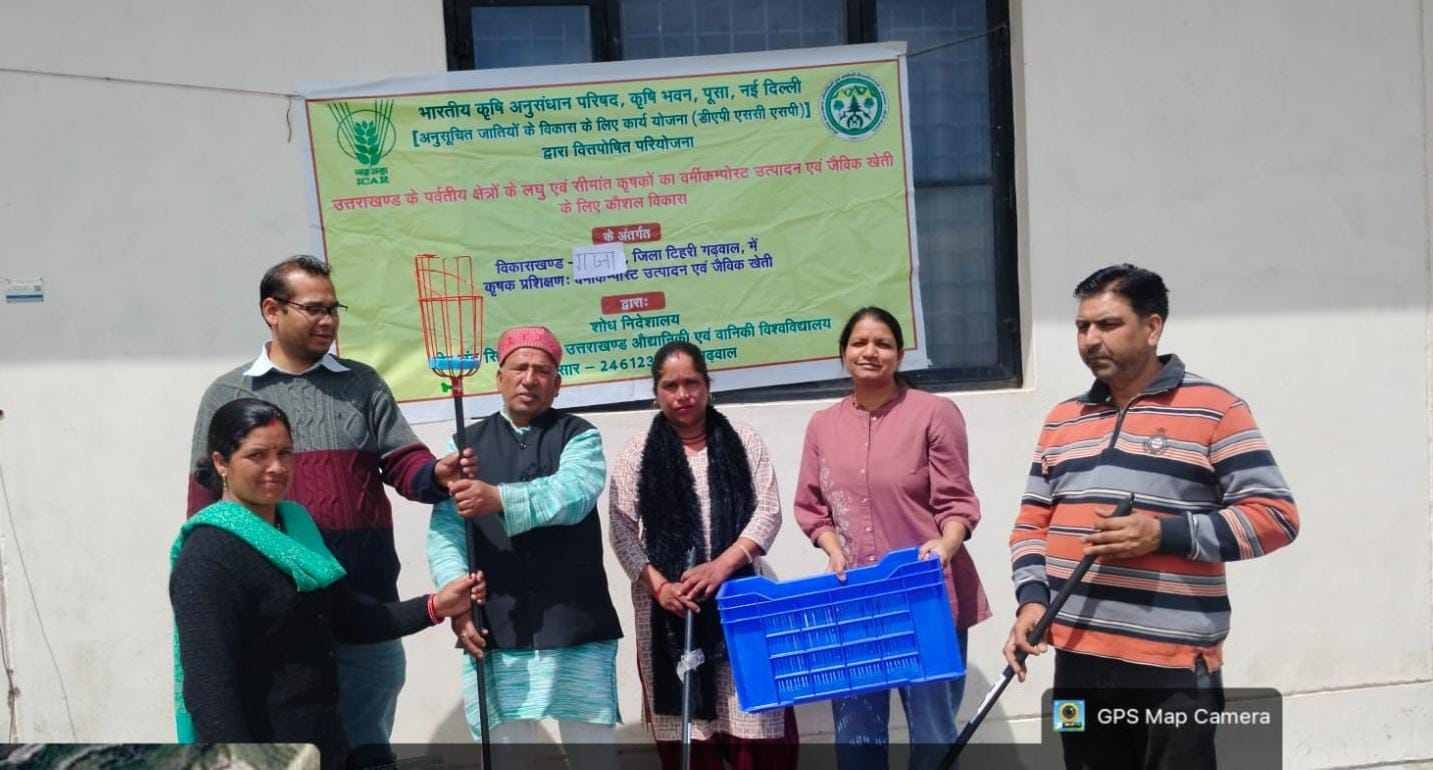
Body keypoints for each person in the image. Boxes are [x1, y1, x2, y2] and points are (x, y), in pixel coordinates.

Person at [1003, 264, 1300, 770]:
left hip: (1172, 664)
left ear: (1152, 327)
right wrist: (1032, 602)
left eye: (1108, 325)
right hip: (1078, 657)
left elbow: (1275, 516)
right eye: (1082, 326)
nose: (1090, 339)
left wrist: (1163, 533)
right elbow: (1032, 525)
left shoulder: (1214, 409)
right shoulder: (1062, 419)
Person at [187, 256, 466, 767]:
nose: (328, 320)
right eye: (313, 309)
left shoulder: (362, 383)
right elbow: (207, 509)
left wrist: (436, 475)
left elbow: (403, 461)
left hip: (367, 602)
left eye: (333, 309)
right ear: (272, 311)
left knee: (368, 749)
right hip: (278, 623)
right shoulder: (228, 395)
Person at [170, 398, 485, 770]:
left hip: (325, 744)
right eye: (257, 456)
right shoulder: (209, 556)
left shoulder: (296, 529)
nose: (276, 467)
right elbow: (210, 691)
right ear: (221, 462)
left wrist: (436, 605)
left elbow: (349, 618)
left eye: (284, 453)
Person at [793, 306, 991, 770]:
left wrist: (947, 544)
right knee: (857, 734)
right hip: (856, 598)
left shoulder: (933, 413)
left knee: (932, 732)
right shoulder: (823, 424)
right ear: (843, 353)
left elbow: (957, 501)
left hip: (926, 593)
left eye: (882, 343)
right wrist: (833, 548)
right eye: (859, 342)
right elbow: (813, 507)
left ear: (900, 355)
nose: (870, 352)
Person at [427, 325, 623, 769]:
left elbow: (574, 493)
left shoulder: (580, 435)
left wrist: (498, 498)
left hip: (576, 622)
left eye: (542, 370)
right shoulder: (462, 448)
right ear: (499, 378)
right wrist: (457, 600)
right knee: (507, 755)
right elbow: (446, 532)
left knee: (594, 756)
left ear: (557, 383)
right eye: (519, 368)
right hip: (497, 625)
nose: (529, 379)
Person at [608, 341, 799, 770]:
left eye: (691, 383)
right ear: (656, 393)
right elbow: (621, 529)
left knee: (754, 723)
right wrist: (660, 587)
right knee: (689, 733)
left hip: (739, 600)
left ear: (708, 385)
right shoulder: (637, 452)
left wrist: (721, 567)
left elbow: (768, 512)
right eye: (670, 386)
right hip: (668, 610)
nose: (683, 395)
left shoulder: (743, 440)